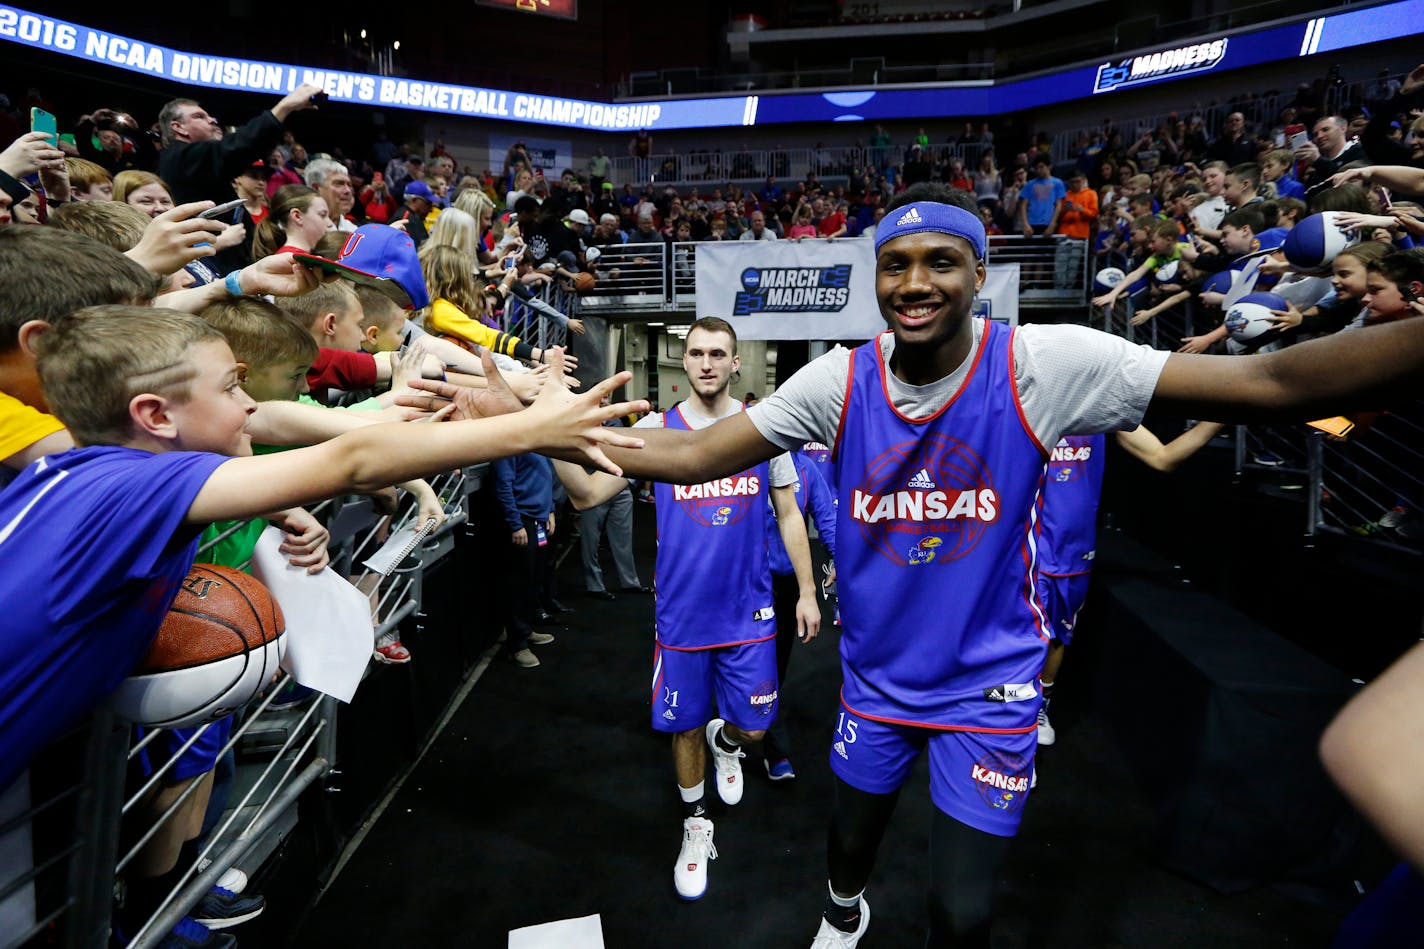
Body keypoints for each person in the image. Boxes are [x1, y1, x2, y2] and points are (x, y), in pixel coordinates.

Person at [387, 182, 1424, 946]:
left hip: (991, 684)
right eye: (896, 263)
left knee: (962, 909)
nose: (915, 282)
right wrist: (527, 422)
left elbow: (1280, 377)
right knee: (848, 849)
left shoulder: (1044, 363)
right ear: (871, 277)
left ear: (978, 275)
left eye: (940, 262)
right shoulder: (839, 382)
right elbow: (688, 455)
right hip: (874, 681)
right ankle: (843, 906)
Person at [551, 317, 820, 903]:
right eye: (694, 352)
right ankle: (696, 824)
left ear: (734, 364)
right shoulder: (655, 429)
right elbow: (588, 493)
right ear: (686, 360)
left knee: (752, 729)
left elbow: (790, 513)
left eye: (716, 354)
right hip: (681, 618)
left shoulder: (760, 430)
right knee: (686, 725)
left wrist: (806, 589)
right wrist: (545, 432)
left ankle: (731, 747)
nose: (703, 363)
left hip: (749, 613)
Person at [157, 84, 323, 205]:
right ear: (178, 127)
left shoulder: (194, 160)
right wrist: (284, 107)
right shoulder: (179, 157)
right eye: (199, 116)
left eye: (210, 117)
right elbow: (237, 146)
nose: (212, 121)